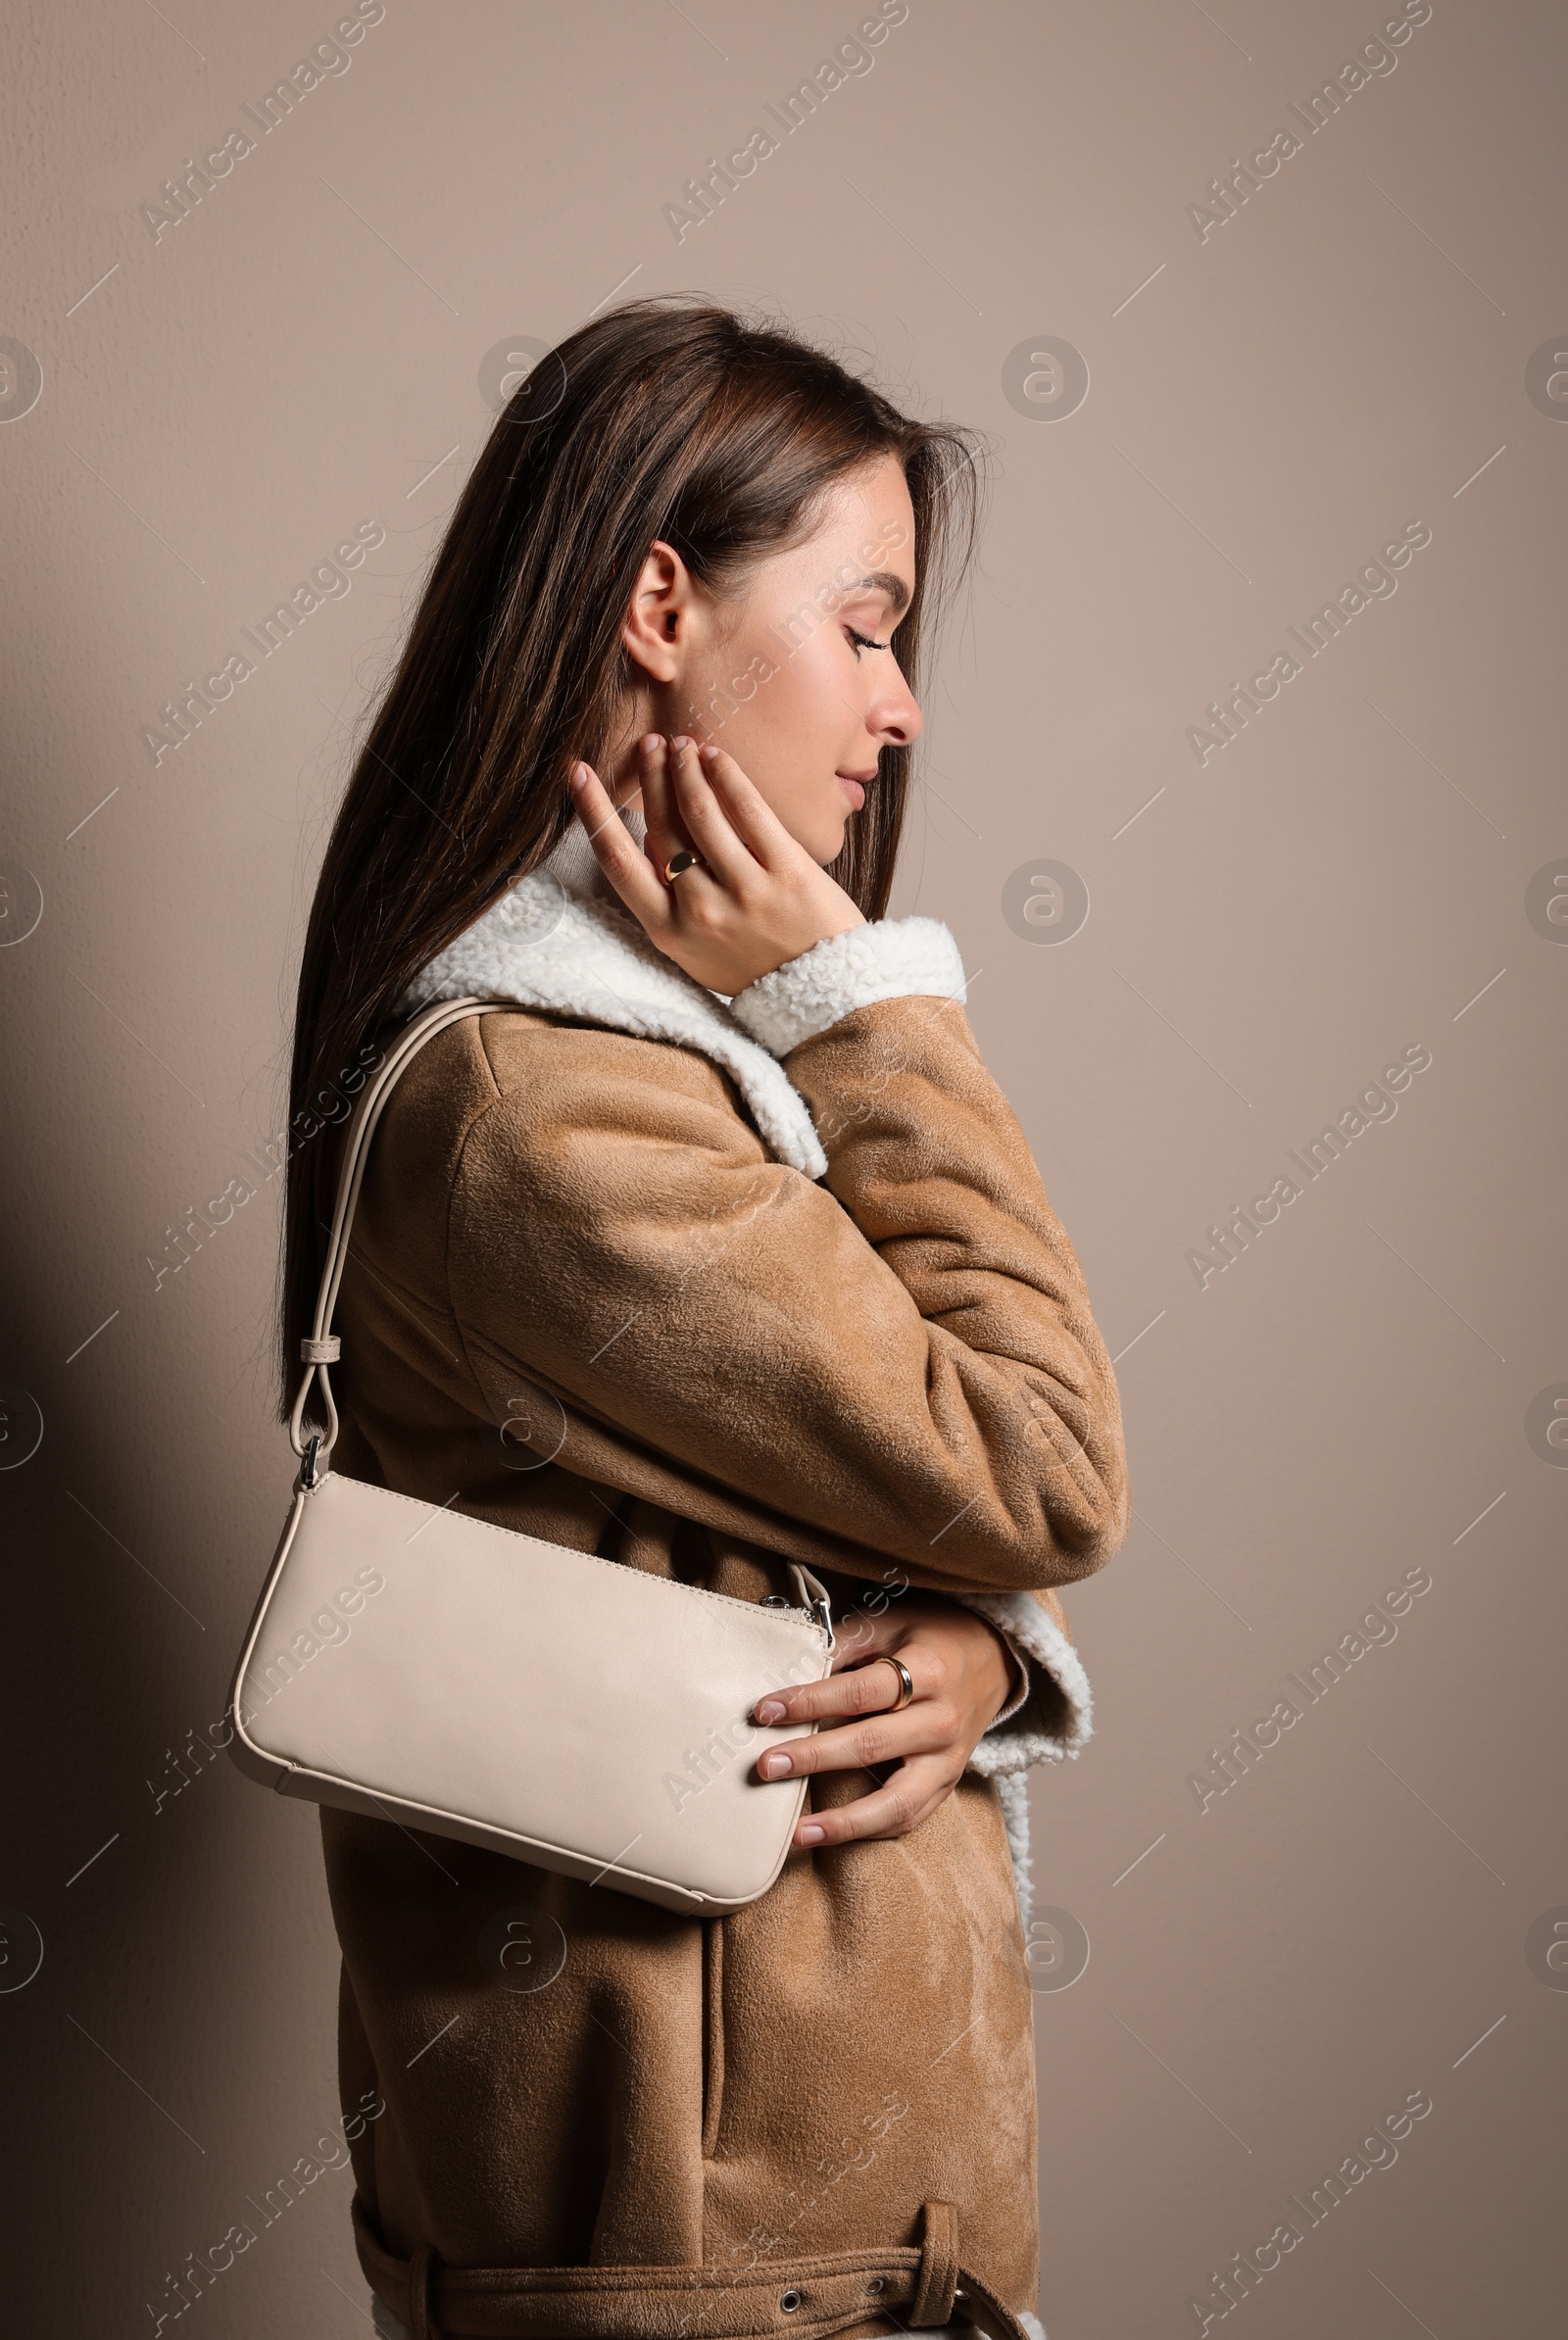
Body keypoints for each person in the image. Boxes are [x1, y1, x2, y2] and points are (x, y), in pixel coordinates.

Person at [279, 300, 1129, 2340]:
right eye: (862, 622)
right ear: (659, 598)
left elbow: (807, 1513)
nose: (898, 704)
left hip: (794, 2237)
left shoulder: (645, 1070)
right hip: (713, 2254)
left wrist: (969, 1646)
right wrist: (864, 1006)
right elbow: (1034, 1456)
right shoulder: (542, 1102)